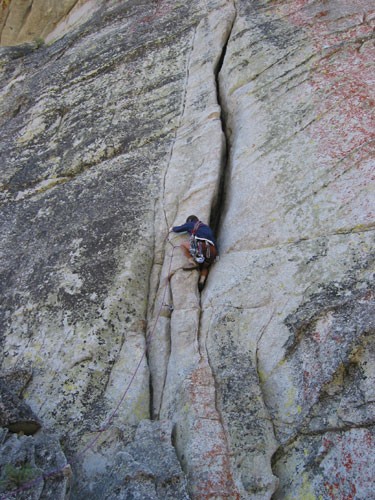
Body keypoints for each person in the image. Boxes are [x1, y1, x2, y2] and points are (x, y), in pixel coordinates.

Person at [170, 215, 218, 291]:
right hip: (213, 251)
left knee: (183, 245)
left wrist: (172, 228)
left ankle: (192, 261)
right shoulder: (206, 227)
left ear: (190, 221)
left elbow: (179, 229)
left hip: (202, 247)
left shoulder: (191, 224)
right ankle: (202, 280)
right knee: (205, 266)